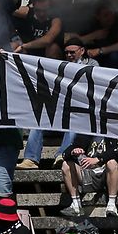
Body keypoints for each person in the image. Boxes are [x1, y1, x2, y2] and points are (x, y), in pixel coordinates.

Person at [18, 36, 96, 170]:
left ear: (82, 50)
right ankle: (30, 159)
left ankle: (62, 155)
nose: (69, 55)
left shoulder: (93, 64)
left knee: (73, 124)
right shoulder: (60, 66)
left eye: (72, 52)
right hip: (59, 112)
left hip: (79, 114)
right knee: (38, 123)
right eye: (66, 53)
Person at [60, 135, 118, 218]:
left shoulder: (112, 130)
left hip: (107, 174)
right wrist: (73, 151)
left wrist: (98, 159)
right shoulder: (85, 132)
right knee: (66, 165)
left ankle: (111, 205)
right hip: (88, 174)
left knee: (112, 163)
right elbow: (66, 153)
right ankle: (76, 205)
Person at [67, 0, 118, 68]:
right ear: (97, 17)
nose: (110, 17)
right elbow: (66, 38)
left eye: (111, 13)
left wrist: (99, 51)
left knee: (115, 56)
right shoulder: (91, 23)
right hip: (94, 57)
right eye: (106, 15)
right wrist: (91, 36)